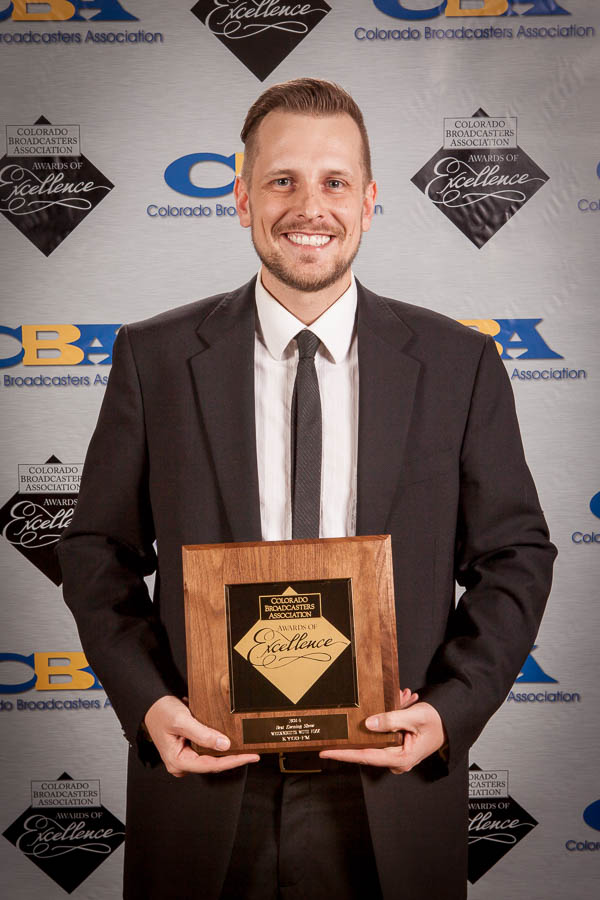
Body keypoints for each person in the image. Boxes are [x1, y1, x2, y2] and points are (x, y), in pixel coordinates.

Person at [58, 78, 556, 900]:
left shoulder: (459, 365)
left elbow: (516, 556)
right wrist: (150, 704)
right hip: (206, 780)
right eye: (282, 180)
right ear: (242, 199)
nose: (309, 207)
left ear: (368, 202)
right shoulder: (154, 359)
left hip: (389, 786)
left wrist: (448, 711)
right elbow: (95, 551)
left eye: (333, 182)